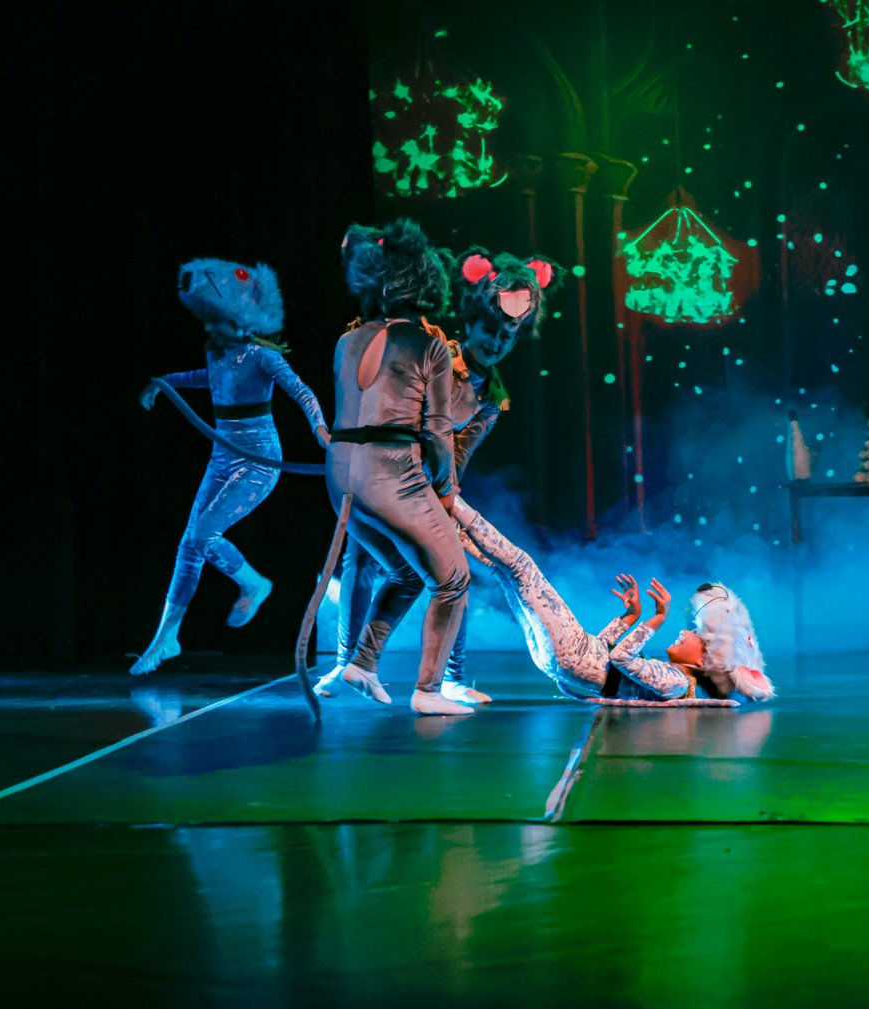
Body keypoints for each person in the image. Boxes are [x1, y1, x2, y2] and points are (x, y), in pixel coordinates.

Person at [316, 246, 561, 706]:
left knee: (449, 572)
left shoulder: (492, 398)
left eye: (506, 336)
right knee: (362, 561)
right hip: (385, 468)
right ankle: (348, 661)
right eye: (489, 330)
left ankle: (450, 677)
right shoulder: (437, 350)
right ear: (472, 323)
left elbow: (458, 450)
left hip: (424, 483)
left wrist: (444, 498)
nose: (495, 342)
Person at [131, 258, 329, 676]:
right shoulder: (216, 352)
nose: (209, 328)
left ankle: (254, 583)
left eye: (216, 320)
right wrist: (164, 382)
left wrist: (320, 429)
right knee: (190, 544)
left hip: (259, 463)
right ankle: (167, 636)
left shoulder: (262, 357)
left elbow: (302, 392)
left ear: (238, 321)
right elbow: (209, 378)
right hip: (222, 458)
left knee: (203, 534)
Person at [326, 219, 474, 716]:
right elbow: (438, 430)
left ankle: (362, 663)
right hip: (391, 473)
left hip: (341, 477)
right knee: (453, 578)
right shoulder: (429, 346)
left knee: (406, 572)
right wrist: (445, 489)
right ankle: (429, 691)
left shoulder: (346, 342)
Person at [451, 498, 775, 702]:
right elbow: (605, 655)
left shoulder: (677, 683)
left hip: (572, 656)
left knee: (522, 567)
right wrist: (630, 616)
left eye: (696, 635)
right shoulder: (672, 676)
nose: (685, 632)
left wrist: (657, 618)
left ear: (704, 662)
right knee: (506, 575)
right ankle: (451, 527)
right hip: (569, 658)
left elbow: (619, 658)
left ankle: (453, 503)